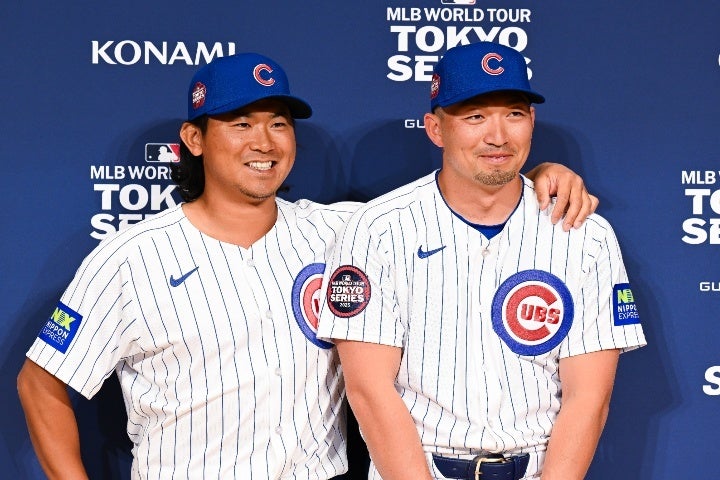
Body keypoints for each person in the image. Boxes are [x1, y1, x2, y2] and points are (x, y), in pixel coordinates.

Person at [17, 52, 597, 479]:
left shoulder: (339, 231)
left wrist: (542, 177)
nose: (263, 141)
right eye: (239, 124)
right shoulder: (130, 257)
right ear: (193, 139)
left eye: (278, 123)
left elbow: (455, 201)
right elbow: (40, 382)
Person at [317, 41, 646, 480]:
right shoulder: (376, 228)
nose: (498, 135)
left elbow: (589, 397)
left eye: (513, 114)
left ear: (531, 122)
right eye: (474, 117)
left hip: (539, 467)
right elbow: (368, 389)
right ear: (435, 129)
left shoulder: (585, 234)